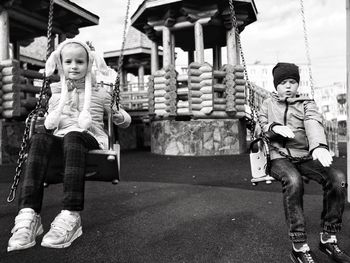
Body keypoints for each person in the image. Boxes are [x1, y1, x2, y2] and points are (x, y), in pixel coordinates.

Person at [7, 39, 131, 252]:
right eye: (69, 61)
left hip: (90, 137)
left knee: (74, 134)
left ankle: (70, 215)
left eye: (80, 62)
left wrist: (119, 114)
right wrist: (41, 121)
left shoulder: (102, 92)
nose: (74, 66)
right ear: (61, 64)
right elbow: (49, 122)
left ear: (89, 64)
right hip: (61, 138)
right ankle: (28, 215)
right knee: (38, 138)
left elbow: (125, 120)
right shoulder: (55, 93)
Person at [257, 62, 349, 263]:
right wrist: (272, 127)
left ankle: (328, 238)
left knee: (338, 178)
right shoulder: (267, 104)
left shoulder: (307, 103)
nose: (288, 86)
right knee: (293, 180)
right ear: (276, 86)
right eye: (283, 82)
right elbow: (259, 126)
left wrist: (318, 146)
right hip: (278, 155)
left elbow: (313, 122)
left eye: (292, 81)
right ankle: (299, 245)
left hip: (305, 155)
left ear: (298, 84)